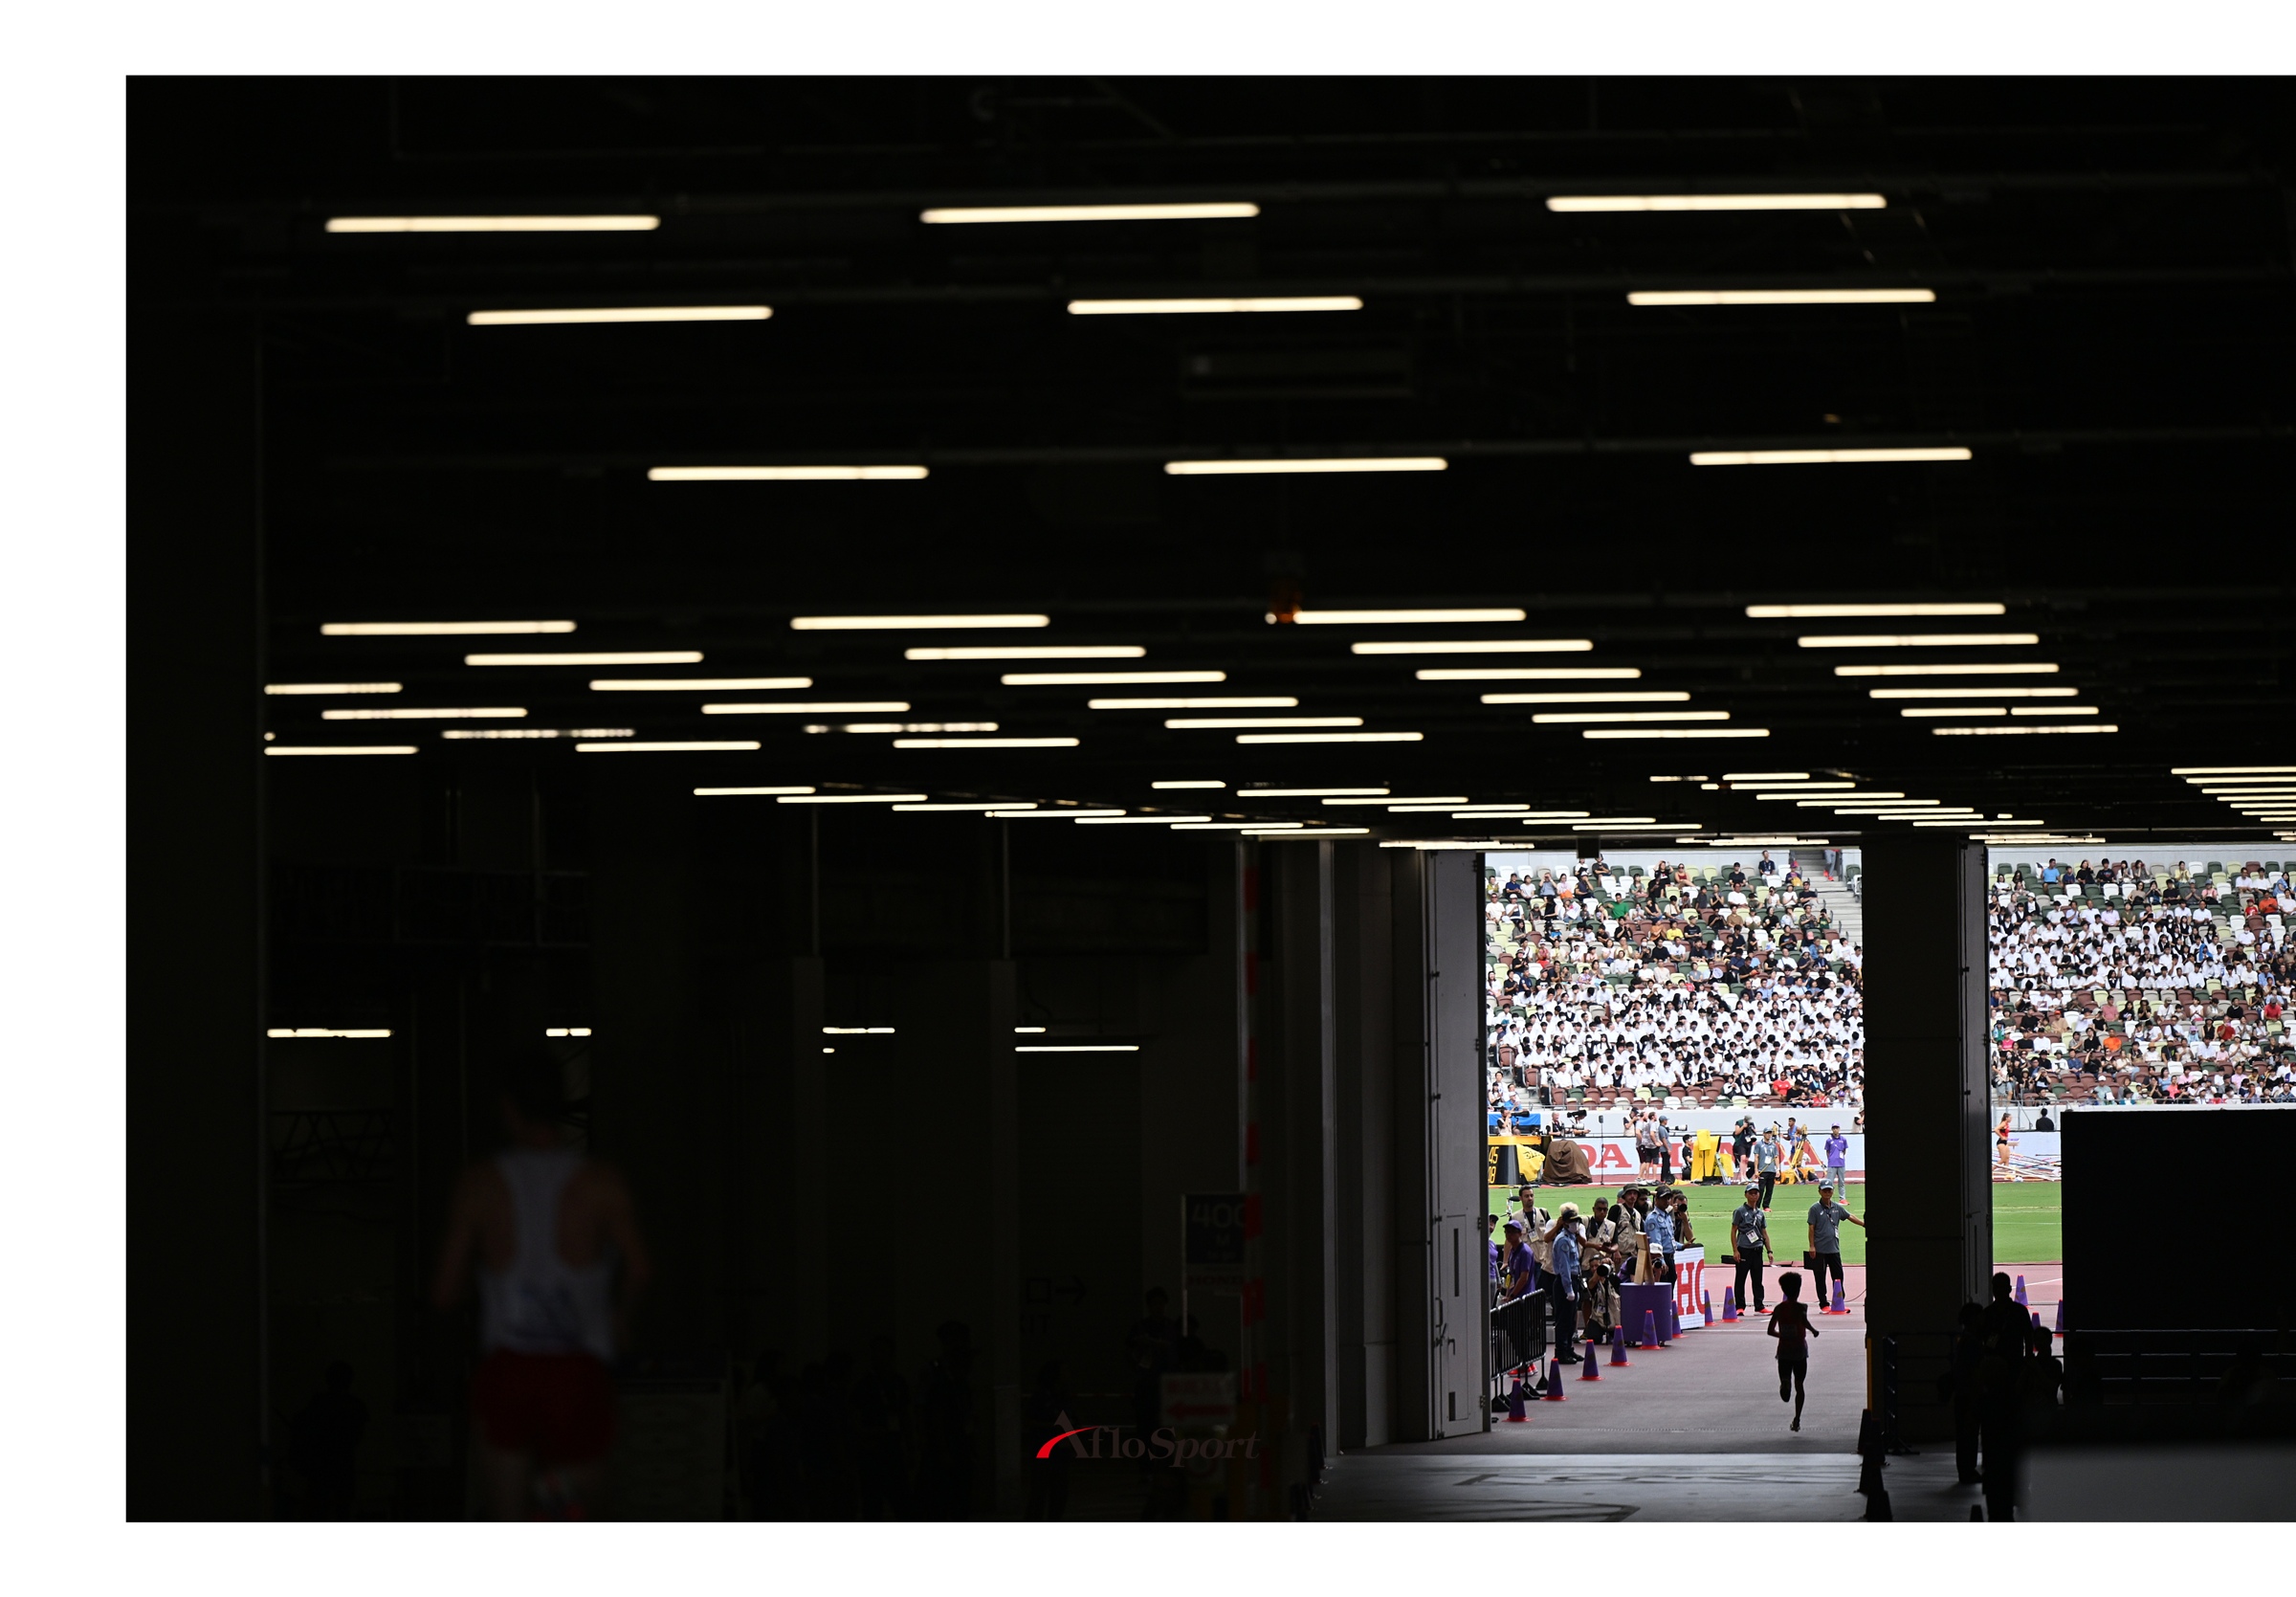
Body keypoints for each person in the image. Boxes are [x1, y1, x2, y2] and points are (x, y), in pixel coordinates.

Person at [431, 1046, 651, 1520]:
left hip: (510, 1369)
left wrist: (484, 1284)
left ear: (508, 1108)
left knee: (509, 1519)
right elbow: (638, 1270)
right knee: (581, 1517)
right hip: (577, 1370)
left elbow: (444, 1293)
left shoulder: (479, 1184)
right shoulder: (600, 1182)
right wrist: (620, 1321)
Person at [1767, 1271, 1819, 1432]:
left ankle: (1785, 1382)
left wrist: (1782, 1335)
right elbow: (1804, 1321)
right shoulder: (1802, 1307)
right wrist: (1813, 1330)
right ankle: (1797, 1419)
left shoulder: (1779, 1309)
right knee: (1800, 1386)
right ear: (1798, 1290)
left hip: (1783, 1351)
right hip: (1799, 1351)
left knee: (1785, 1376)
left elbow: (1770, 1331)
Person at [1804, 1185, 1864, 1312]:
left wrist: (1864, 1224)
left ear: (1832, 1192)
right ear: (1819, 1191)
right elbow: (1811, 1228)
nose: (1827, 1192)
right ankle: (1823, 1304)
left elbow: (1849, 1216)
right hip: (1819, 1250)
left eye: (1829, 1190)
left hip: (1834, 1249)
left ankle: (1839, 1302)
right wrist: (1812, 1246)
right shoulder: (1814, 1208)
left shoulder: (1837, 1207)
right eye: (1824, 1190)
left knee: (1838, 1277)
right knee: (1820, 1278)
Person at [1497, 1219, 1541, 1376]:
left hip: (1523, 1297)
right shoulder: (1513, 1251)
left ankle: (1525, 1365)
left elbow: (1524, 1277)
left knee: (1518, 1332)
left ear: (1520, 1234)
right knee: (1517, 1332)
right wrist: (1507, 1292)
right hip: (1516, 1296)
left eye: (1512, 1232)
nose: (1508, 1235)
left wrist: (1512, 1295)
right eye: (1507, 1232)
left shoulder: (1524, 1252)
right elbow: (1512, 1274)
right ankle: (1527, 1363)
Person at [1549, 1209, 1584, 1364]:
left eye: (1576, 1221)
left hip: (1573, 1280)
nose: (1575, 1224)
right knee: (1563, 1319)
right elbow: (1564, 1268)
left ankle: (1568, 1348)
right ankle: (1561, 1351)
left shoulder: (1572, 1238)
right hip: (1565, 1282)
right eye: (1572, 1221)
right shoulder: (1563, 1240)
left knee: (1571, 1319)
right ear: (1564, 1223)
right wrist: (1569, 1289)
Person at [1731, 1186, 1772, 1313]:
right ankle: (1740, 1306)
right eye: (1751, 1193)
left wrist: (1769, 1251)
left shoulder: (1760, 1213)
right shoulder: (1740, 1211)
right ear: (1746, 1195)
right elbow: (1733, 1231)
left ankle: (1759, 1305)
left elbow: (1764, 1232)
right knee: (1740, 1279)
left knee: (1758, 1279)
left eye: (1755, 1193)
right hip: (1744, 1249)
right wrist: (1735, 1250)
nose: (1754, 1195)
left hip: (1757, 1249)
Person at [1754, 1126, 1781, 1210]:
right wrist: (1756, 1170)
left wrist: (1777, 1169)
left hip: (1771, 1170)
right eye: (1767, 1133)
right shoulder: (1759, 1144)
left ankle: (1766, 1206)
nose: (1769, 1135)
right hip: (1763, 1170)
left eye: (1770, 1133)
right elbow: (1756, 1157)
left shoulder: (1773, 1145)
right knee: (1761, 1189)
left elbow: (1776, 1157)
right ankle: (1757, 1206)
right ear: (1763, 1134)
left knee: (1770, 1189)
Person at [1823, 1123, 1849, 1190]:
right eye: (1834, 1128)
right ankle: (1829, 1196)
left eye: (1836, 1128)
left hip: (1841, 1163)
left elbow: (1844, 1151)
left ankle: (1842, 1196)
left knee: (1842, 1182)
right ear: (1832, 1129)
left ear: (1839, 1129)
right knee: (1829, 1182)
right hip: (1832, 1164)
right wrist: (1830, 1159)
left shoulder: (1843, 1139)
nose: (1835, 1130)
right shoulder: (1829, 1140)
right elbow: (1827, 1151)